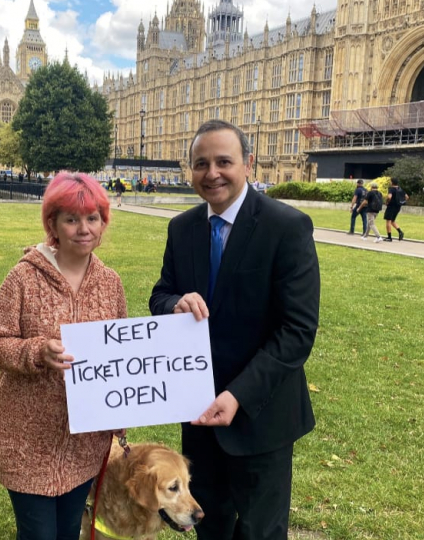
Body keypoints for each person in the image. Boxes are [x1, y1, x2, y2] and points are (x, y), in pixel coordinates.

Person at [149, 120, 320, 540]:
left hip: (261, 416)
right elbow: (161, 295)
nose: (212, 173)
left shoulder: (286, 226)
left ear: (248, 163)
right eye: (201, 163)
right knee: (209, 523)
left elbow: (297, 330)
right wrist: (175, 303)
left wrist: (238, 395)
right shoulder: (182, 228)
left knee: (262, 529)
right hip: (199, 412)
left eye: (224, 161)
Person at [0, 171, 127, 540]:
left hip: (84, 445)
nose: (83, 228)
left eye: (92, 218)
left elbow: (121, 357)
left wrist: (121, 412)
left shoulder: (111, 284)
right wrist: (36, 351)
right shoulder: (24, 278)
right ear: (53, 224)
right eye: (71, 219)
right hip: (26, 440)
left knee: (67, 533)